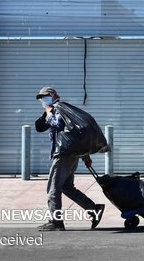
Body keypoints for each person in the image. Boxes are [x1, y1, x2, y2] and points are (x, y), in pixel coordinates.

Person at [34, 86, 105, 231]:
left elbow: (59, 124)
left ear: (53, 95)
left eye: (45, 96)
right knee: (67, 187)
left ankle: (56, 222)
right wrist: (46, 112)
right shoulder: (56, 109)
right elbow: (40, 127)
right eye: (41, 98)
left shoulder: (58, 109)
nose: (43, 100)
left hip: (63, 155)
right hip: (70, 155)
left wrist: (49, 112)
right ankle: (93, 209)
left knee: (53, 189)